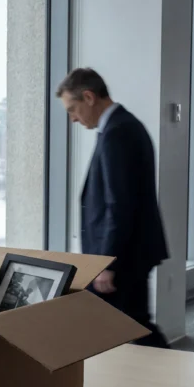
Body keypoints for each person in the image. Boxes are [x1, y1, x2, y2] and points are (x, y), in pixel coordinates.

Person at [56, 67, 170, 348]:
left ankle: (171, 378)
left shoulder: (119, 132)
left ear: (89, 97)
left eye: (73, 108)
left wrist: (107, 263)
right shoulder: (121, 126)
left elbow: (119, 204)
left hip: (123, 256)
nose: (72, 118)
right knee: (129, 326)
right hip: (128, 253)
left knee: (131, 328)